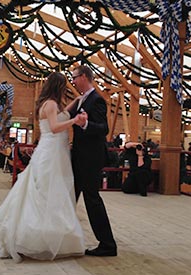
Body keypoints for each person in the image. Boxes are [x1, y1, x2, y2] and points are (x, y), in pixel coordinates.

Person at [0, 72, 86, 262]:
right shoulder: (52, 104)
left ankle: (50, 231)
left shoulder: (47, 103)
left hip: (53, 150)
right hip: (53, 151)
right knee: (48, 190)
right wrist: (75, 121)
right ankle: (42, 234)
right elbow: (55, 127)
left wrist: (76, 102)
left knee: (46, 190)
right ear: (58, 87)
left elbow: (61, 115)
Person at [67, 65, 117, 257]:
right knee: (70, 197)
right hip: (79, 157)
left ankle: (108, 244)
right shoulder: (82, 100)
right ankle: (64, 237)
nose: (73, 80)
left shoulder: (97, 100)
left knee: (92, 199)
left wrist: (86, 123)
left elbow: (103, 128)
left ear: (85, 76)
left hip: (90, 159)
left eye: (75, 77)